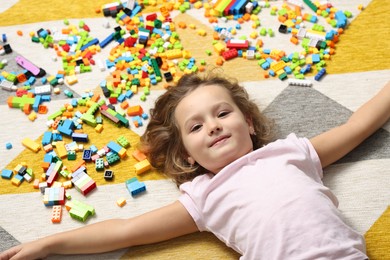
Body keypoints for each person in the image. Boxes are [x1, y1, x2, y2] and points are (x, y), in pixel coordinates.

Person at [1, 72, 389, 260]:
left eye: (223, 113)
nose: (214, 125)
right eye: (197, 126)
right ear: (187, 156)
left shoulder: (290, 152)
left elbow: (356, 126)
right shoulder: (204, 195)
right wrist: (49, 243)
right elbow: (126, 230)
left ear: (249, 124)